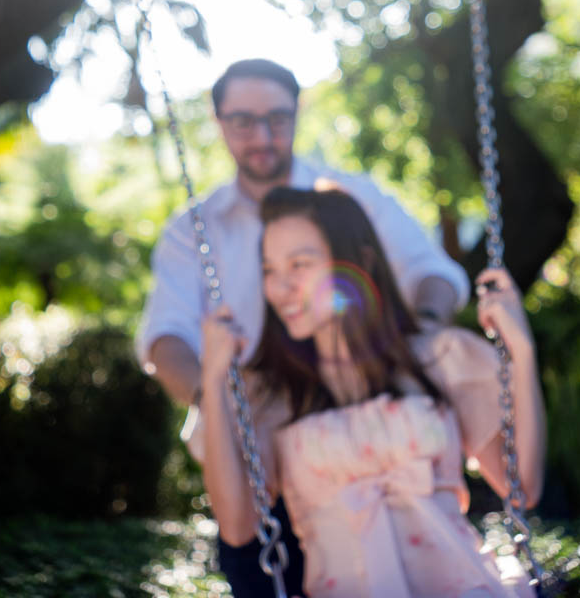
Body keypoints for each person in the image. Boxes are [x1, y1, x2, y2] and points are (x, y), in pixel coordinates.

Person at [136, 58, 471, 596]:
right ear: (219, 121)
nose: (263, 136)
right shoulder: (191, 232)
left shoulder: (349, 198)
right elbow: (165, 337)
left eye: (278, 118)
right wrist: (220, 397)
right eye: (243, 121)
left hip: (363, 450)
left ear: (298, 113)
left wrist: (423, 335)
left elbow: (432, 274)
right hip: (259, 462)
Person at [202, 186, 546, 598]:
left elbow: (522, 487)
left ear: (358, 262)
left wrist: (521, 353)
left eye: (300, 264)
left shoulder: (439, 358)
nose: (281, 288)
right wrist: (214, 378)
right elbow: (238, 526)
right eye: (270, 270)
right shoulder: (274, 394)